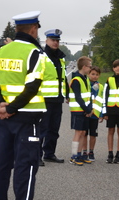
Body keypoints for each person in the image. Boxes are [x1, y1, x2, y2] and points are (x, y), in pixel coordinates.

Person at [0, 11, 46, 199]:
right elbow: (32, 88)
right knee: (25, 167)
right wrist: (10, 109)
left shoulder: (0, 52)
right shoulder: (35, 54)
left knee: (2, 165)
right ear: (34, 29)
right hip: (28, 119)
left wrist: (1, 105)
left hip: (4, 118)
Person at [39, 29, 69, 166]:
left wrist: (67, 94)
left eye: (57, 40)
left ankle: (49, 154)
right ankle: (37, 155)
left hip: (57, 99)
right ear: (46, 41)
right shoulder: (41, 56)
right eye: (53, 40)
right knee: (41, 129)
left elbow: (62, 78)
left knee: (54, 129)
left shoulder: (60, 58)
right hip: (44, 99)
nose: (56, 43)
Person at [69, 56, 93, 166]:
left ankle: (81, 154)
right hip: (78, 111)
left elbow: (89, 95)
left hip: (85, 110)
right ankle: (74, 156)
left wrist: (90, 109)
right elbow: (78, 97)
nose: (91, 68)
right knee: (78, 133)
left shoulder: (86, 79)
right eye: (90, 66)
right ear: (84, 67)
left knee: (84, 132)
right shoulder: (76, 80)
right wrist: (87, 109)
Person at [82, 66, 104, 162]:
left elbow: (102, 101)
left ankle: (91, 151)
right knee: (84, 133)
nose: (95, 76)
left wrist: (102, 114)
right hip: (86, 113)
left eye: (97, 75)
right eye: (93, 74)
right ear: (88, 74)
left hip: (95, 114)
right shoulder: (85, 84)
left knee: (93, 134)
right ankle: (84, 151)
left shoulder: (101, 86)